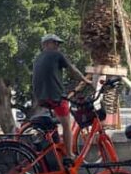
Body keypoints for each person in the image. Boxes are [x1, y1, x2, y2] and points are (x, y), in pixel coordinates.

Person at [31, 34, 91, 164]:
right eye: (55, 43)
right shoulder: (57, 55)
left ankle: (53, 146)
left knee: (53, 122)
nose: (58, 46)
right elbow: (72, 70)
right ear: (46, 44)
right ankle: (69, 155)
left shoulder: (37, 59)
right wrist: (85, 80)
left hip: (41, 98)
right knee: (67, 124)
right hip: (56, 97)